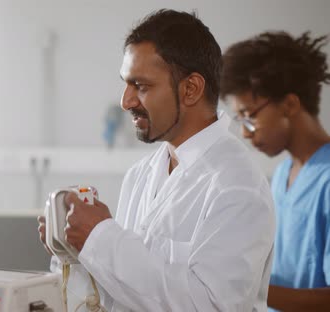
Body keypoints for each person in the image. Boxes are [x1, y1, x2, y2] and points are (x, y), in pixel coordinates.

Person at [38, 9, 275, 311]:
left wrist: (100, 237)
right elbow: (124, 294)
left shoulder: (237, 186)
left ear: (191, 89)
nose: (126, 101)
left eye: (142, 86)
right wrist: (76, 250)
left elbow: (212, 306)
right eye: (126, 84)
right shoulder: (141, 175)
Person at [221, 31, 330, 311]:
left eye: (250, 116)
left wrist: (250, 290)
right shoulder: (283, 175)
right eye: (239, 119)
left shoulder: (326, 181)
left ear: (290, 104)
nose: (245, 132)